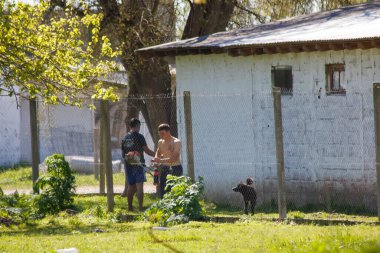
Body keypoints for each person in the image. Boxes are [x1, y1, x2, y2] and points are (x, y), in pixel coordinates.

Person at [121, 118, 155, 211]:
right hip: (139, 163)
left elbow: (123, 153)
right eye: (139, 126)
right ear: (137, 126)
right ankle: (140, 208)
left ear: (129, 126)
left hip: (128, 163)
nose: (139, 128)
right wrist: (156, 154)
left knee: (131, 186)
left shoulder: (125, 137)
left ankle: (130, 207)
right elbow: (147, 150)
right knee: (139, 186)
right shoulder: (140, 136)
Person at [152, 123, 183, 198]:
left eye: (163, 133)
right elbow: (158, 153)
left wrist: (160, 161)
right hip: (165, 168)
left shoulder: (176, 142)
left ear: (168, 132)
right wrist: (155, 160)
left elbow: (174, 159)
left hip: (175, 168)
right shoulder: (160, 142)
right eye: (160, 134)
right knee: (163, 191)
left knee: (175, 192)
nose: (161, 135)